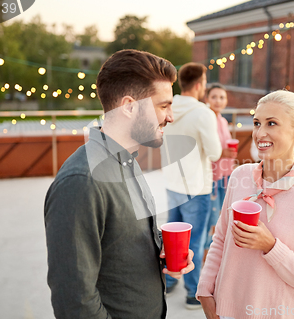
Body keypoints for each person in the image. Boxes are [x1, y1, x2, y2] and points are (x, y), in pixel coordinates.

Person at [44, 49, 194, 319]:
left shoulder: (127, 160)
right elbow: (74, 302)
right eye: (163, 106)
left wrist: (161, 251)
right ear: (128, 106)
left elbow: (120, 239)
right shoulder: (81, 182)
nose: (170, 116)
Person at [197, 90, 294, 319]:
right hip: (225, 312)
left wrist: (270, 246)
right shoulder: (239, 176)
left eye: (272, 123)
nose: (260, 133)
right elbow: (220, 238)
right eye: (256, 123)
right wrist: (204, 290)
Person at [160, 62, 222, 309]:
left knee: (171, 239)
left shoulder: (167, 106)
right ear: (199, 85)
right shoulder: (203, 113)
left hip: (171, 181)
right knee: (194, 240)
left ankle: (169, 281)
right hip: (197, 186)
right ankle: (192, 292)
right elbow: (216, 153)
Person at [203, 83, 237, 263]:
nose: (218, 101)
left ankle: (216, 252)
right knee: (212, 217)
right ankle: (208, 256)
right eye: (214, 97)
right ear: (206, 99)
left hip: (226, 174)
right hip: (213, 175)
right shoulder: (207, 120)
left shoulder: (223, 120)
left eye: (222, 97)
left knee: (223, 214)